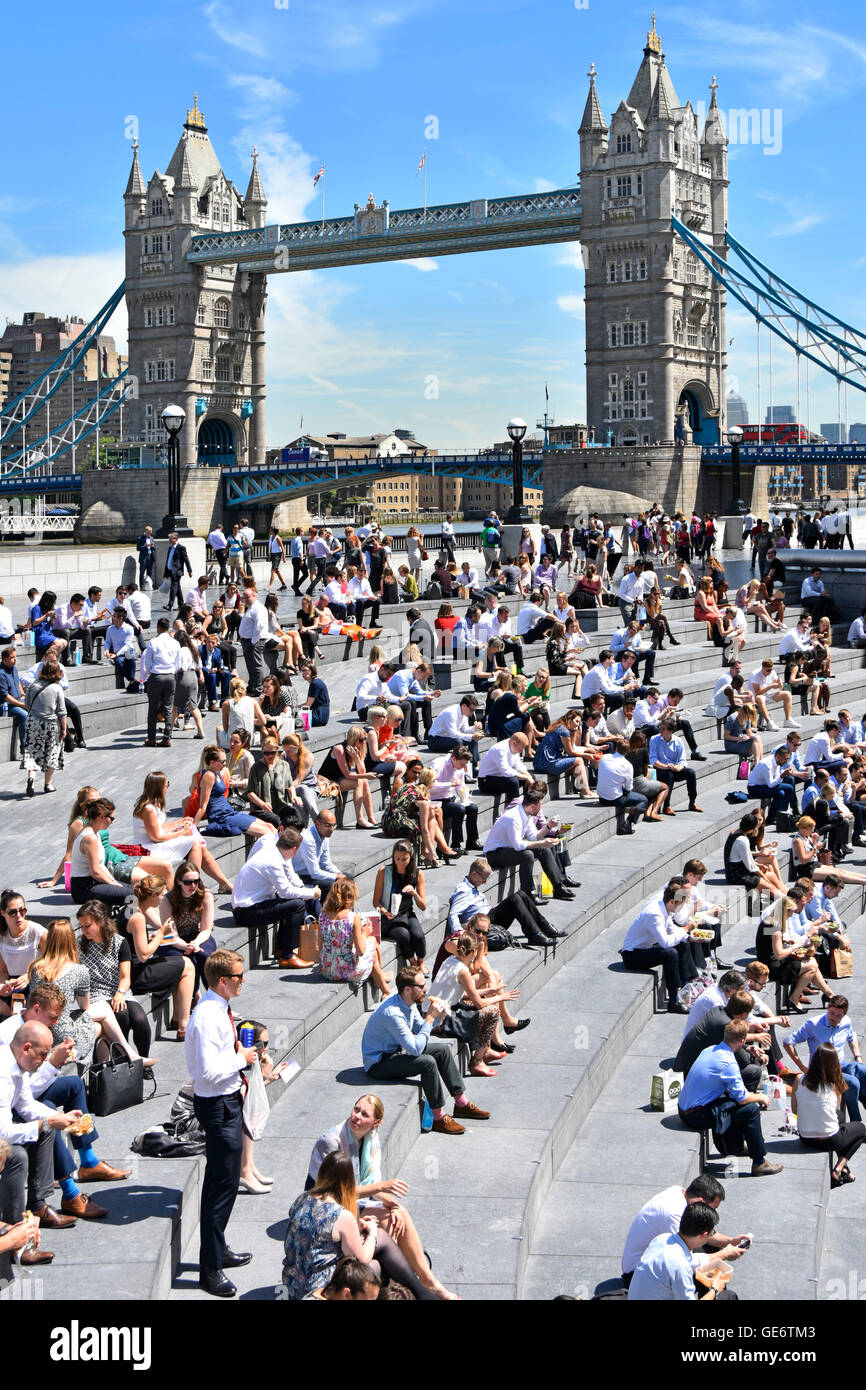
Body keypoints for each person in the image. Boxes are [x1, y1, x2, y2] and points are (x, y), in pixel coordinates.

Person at [306, 1097, 456, 1299]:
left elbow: (369, 1186)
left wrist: (391, 1203)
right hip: (330, 1205)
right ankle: (415, 1281)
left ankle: (427, 1281)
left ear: (375, 1123)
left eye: (364, 1114)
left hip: (352, 1201)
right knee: (383, 1226)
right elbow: (335, 1190)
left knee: (398, 1213)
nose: (356, 1116)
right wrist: (381, 1190)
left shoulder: (371, 1139)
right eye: (356, 1109)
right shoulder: (332, 1140)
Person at [184, 948, 256, 1297]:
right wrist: (240, 1059)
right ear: (224, 981)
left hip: (226, 1103)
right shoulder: (207, 1017)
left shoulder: (219, 1009)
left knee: (224, 1184)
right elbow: (207, 1072)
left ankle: (218, 1247)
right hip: (217, 1107)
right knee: (220, 1187)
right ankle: (209, 1268)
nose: (244, 982)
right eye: (240, 977)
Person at [361, 964, 490, 1134]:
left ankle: (462, 1104)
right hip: (379, 1063)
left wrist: (439, 1017)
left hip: (394, 1053)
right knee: (427, 1062)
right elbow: (415, 1049)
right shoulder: (393, 1013)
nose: (425, 989)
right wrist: (430, 1018)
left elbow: (419, 1028)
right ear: (407, 989)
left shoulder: (409, 1003)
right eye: (421, 987)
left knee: (442, 1051)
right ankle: (438, 1118)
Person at [677, 1019, 783, 1176]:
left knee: (750, 1077)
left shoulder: (711, 1049)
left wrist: (748, 1049)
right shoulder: (728, 1062)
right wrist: (760, 1097)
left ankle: (737, 1145)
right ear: (742, 1041)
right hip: (694, 1114)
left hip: (686, 1106)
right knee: (751, 1109)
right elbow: (741, 1098)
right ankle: (760, 1162)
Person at [621, 1175, 747, 1288]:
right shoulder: (674, 1216)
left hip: (653, 1263)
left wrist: (730, 1241)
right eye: (713, 1209)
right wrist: (723, 1255)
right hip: (637, 1275)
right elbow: (683, 1261)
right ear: (700, 1202)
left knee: (711, 1250)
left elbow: (706, 1234)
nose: (713, 1214)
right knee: (708, 1267)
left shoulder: (680, 1192)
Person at [76, 900, 156, 1063]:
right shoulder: (79, 945)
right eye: (81, 926)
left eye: (87, 925)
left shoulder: (119, 942)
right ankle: (123, 1060)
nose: (83, 930)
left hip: (119, 990)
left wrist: (119, 994)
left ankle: (143, 1060)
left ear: (99, 922)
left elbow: (125, 977)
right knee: (121, 1014)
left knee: (140, 1019)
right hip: (96, 993)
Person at [231, 826, 318, 969]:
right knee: (297, 905)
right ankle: (288, 956)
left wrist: (304, 889)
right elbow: (286, 892)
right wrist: (312, 893)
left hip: (250, 906)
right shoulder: (273, 860)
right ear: (294, 849)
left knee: (293, 903)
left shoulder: (273, 852)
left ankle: (280, 949)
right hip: (246, 911)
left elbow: (290, 876)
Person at [132, 771, 233, 894]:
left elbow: (160, 827)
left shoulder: (156, 804)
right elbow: (156, 837)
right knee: (195, 844)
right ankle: (195, 887)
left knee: (199, 846)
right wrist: (182, 832)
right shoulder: (148, 809)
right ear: (159, 787)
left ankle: (222, 883)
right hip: (147, 848)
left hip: (154, 844)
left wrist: (179, 823)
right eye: (166, 784)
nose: (167, 787)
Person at [482, 781, 574, 902]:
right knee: (527, 855)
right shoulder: (513, 817)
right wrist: (542, 843)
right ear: (532, 806)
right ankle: (528, 895)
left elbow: (534, 836)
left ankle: (558, 887)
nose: (541, 808)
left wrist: (549, 826)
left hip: (508, 849)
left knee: (543, 850)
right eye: (540, 805)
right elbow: (519, 845)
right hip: (494, 854)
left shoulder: (526, 813)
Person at [619, 883, 702, 1014]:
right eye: (680, 904)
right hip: (632, 956)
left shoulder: (666, 909)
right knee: (670, 953)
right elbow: (665, 942)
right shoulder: (654, 914)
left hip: (646, 948)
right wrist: (685, 929)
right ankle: (674, 1001)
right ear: (672, 901)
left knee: (683, 943)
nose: (681, 908)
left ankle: (687, 987)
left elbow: (672, 930)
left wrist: (688, 937)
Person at [628, 1203, 737, 1301]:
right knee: (729, 1296)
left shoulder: (662, 1239)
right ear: (703, 1235)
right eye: (712, 1233)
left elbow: (692, 1260)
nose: (712, 1235)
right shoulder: (680, 1266)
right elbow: (681, 1265)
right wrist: (715, 1289)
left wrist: (724, 1254)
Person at [784, 995, 866, 1122]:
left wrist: (857, 1056)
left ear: (844, 1015)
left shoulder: (846, 1022)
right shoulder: (814, 1024)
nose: (834, 1018)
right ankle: (856, 1122)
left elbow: (851, 1036)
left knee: (862, 1069)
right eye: (832, 1013)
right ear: (828, 1008)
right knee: (853, 1082)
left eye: (839, 1015)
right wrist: (802, 1067)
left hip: (841, 1064)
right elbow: (788, 1042)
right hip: (823, 1070)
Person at [796, 1042, 865, 1187]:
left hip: (805, 1137)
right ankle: (840, 1167)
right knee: (860, 1129)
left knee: (839, 1116)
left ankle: (845, 1169)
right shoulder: (836, 1083)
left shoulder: (799, 1079)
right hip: (829, 1140)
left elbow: (796, 1110)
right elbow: (833, 1109)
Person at [319, 877, 391, 994]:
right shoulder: (352, 917)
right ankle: (385, 989)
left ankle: (382, 978)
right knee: (372, 941)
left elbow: (320, 946)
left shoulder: (322, 915)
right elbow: (361, 951)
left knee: (369, 943)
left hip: (327, 970)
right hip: (347, 972)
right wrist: (363, 933)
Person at [194, 746, 273, 841]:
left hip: (229, 812)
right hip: (221, 817)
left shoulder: (217, 772)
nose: (225, 763)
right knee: (268, 832)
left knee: (270, 826)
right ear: (212, 762)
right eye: (222, 761)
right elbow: (203, 806)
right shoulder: (208, 776)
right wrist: (192, 827)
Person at [373, 841, 428, 963]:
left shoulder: (417, 874)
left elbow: (423, 906)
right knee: (403, 935)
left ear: (411, 857)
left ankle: (421, 961)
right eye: (397, 858)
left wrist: (415, 894)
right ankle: (413, 962)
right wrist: (384, 911)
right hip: (389, 917)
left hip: (407, 914)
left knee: (418, 936)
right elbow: (375, 901)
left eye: (404, 859)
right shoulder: (384, 872)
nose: (401, 862)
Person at [20, 657, 66, 797]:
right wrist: (64, 729)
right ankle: (48, 784)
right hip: (50, 724)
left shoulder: (33, 685)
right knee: (52, 752)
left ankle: (31, 779)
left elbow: (27, 704)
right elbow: (61, 711)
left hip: (33, 722)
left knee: (33, 751)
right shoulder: (57, 688)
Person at [318, 726, 378, 830]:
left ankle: (371, 818)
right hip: (325, 782)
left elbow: (362, 772)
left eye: (365, 739)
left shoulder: (356, 748)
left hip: (338, 779)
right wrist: (367, 775)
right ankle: (360, 820)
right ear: (353, 739)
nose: (364, 742)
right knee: (359, 782)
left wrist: (357, 758)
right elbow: (348, 775)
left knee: (363, 780)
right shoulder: (339, 749)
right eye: (361, 740)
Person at [0, 890, 47, 1020]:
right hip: (13, 984)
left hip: (37, 981)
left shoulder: (37, 932)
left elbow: (55, 959)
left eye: (22, 911)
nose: (19, 916)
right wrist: (3, 985)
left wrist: (30, 975)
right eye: (13, 912)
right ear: (3, 913)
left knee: (21, 1005)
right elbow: (3, 971)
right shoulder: (2, 937)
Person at [428, 746, 480, 852]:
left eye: (465, 764)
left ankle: (472, 841)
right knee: (459, 809)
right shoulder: (438, 763)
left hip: (449, 798)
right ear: (453, 758)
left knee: (473, 808)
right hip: (436, 800)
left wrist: (465, 793)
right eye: (462, 764)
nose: (463, 767)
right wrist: (450, 784)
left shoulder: (459, 767)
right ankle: (456, 844)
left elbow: (460, 785)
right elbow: (430, 785)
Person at [649, 719, 702, 814]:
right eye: (660, 727)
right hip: (660, 770)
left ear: (670, 731)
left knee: (691, 773)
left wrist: (678, 768)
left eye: (663, 728)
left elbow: (682, 761)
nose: (660, 730)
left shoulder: (678, 741)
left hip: (673, 768)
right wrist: (666, 766)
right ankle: (667, 805)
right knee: (669, 775)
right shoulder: (654, 739)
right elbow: (653, 760)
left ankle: (692, 803)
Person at [597, 736, 648, 835]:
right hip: (614, 799)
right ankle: (628, 824)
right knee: (644, 800)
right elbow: (629, 788)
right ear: (627, 751)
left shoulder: (605, 757)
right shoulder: (627, 765)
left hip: (602, 797)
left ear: (616, 748)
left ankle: (631, 811)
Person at [477, 730, 533, 802]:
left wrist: (529, 777)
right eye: (520, 749)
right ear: (514, 743)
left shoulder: (513, 747)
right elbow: (506, 771)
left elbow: (519, 766)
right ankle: (513, 810)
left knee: (530, 777)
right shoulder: (500, 749)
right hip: (486, 781)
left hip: (500, 777)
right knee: (513, 782)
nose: (520, 751)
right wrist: (526, 777)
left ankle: (527, 804)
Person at [164, 532, 192, 611]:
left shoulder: (181, 548)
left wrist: (189, 570)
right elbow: (168, 561)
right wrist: (166, 573)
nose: (169, 540)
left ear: (175, 539)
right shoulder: (170, 548)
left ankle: (170, 605)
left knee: (173, 587)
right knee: (177, 588)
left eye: (170, 539)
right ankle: (181, 605)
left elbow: (186, 559)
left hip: (177, 571)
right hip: (170, 571)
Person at [299, 660, 330, 727]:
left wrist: (295, 708)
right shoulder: (317, 682)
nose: (303, 673)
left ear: (312, 671)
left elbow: (308, 705)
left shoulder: (315, 684)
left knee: (293, 720)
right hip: (321, 715)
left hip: (318, 716)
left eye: (305, 670)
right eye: (302, 670)